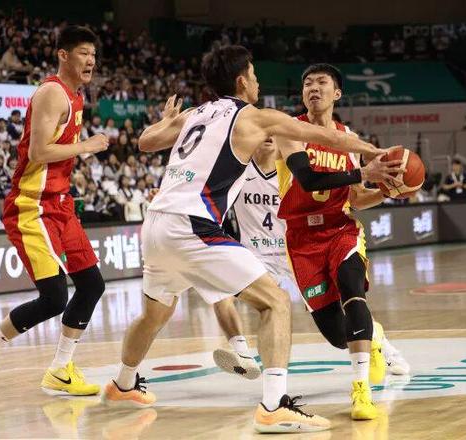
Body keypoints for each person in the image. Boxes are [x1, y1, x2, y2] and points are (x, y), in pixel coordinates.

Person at [102, 45, 399, 434]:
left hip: (155, 225)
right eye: (255, 75)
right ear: (242, 80)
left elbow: (144, 142)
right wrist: (374, 152)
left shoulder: (195, 113)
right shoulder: (255, 118)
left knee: (153, 313)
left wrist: (165, 122)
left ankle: (123, 383)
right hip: (192, 223)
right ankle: (274, 406)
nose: (258, 82)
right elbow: (321, 134)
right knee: (275, 302)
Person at [0, 26, 109, 398]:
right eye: (83, 53)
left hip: (60, 203)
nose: (91, 60)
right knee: (54, 297)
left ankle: (60, 370)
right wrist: (86, 146)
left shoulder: (77, 96)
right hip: (32, 205)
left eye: (93, 54)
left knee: (92, 284)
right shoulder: (52, 93)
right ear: (63, 55)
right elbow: (39, 153)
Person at [212, 135, 410, 384]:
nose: (269, 136)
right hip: (257, 256)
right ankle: (242, 354)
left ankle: (382, 344)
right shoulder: (238, 172)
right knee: (218, 289)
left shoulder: (293, 170)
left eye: (274, 132)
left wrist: (383, 190)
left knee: (344, 322)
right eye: (264, 131)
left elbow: (346, 196)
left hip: (293, 250)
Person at [272, 64, 407, 420]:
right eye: (307, 83)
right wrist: (363, 172)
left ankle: (361, 391)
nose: (313, 88)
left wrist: (389, 191)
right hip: (302, 238)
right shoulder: (289, 130)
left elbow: (357, 197)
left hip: (340, 229)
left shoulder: (349, 138)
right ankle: (374, 337)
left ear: (337, 94)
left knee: (352, 287)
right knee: (337, 335)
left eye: (321, 82)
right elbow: (306, 179)